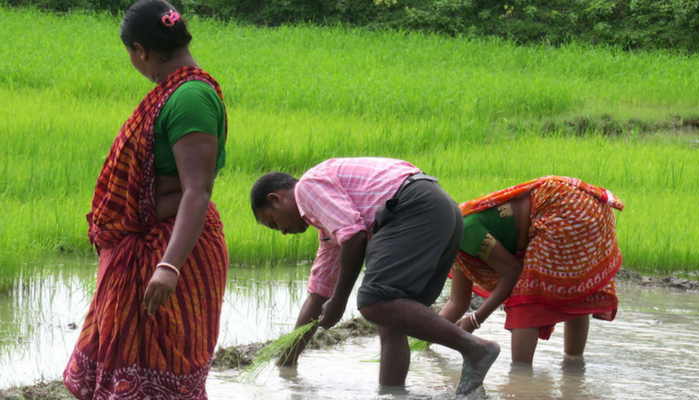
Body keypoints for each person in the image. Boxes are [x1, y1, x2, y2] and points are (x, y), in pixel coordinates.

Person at [63, 1, 229, 398]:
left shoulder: (190, 98)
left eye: (131, 56)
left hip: (173, 249)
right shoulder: (170, 93)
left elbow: (197, 191)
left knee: (160, 374)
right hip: (142, 248)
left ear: (140, 50)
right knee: (119, 370)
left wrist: (169, 265)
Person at [250, 157, 500, 395]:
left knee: (373, 300)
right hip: (444, 211)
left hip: (416, 206)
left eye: (273, 223)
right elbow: (318, 294)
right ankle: (393, 395)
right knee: (391, 318)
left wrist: (338, 302)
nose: (282, 232)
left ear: (277, 199)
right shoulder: (328, 227)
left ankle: (474, 348)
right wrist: (287, 362)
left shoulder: (307, 187)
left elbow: (355, 237)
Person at [440, 176, 623, 364]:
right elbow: (457, 302)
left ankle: (520, 378)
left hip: (567, 210)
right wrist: (424, 338)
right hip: (586, 207)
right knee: (576, 294)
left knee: (525, 300)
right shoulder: (454, 236)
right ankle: (574, 366)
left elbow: (511, 273)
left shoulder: (465, 231)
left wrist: (475, 320)